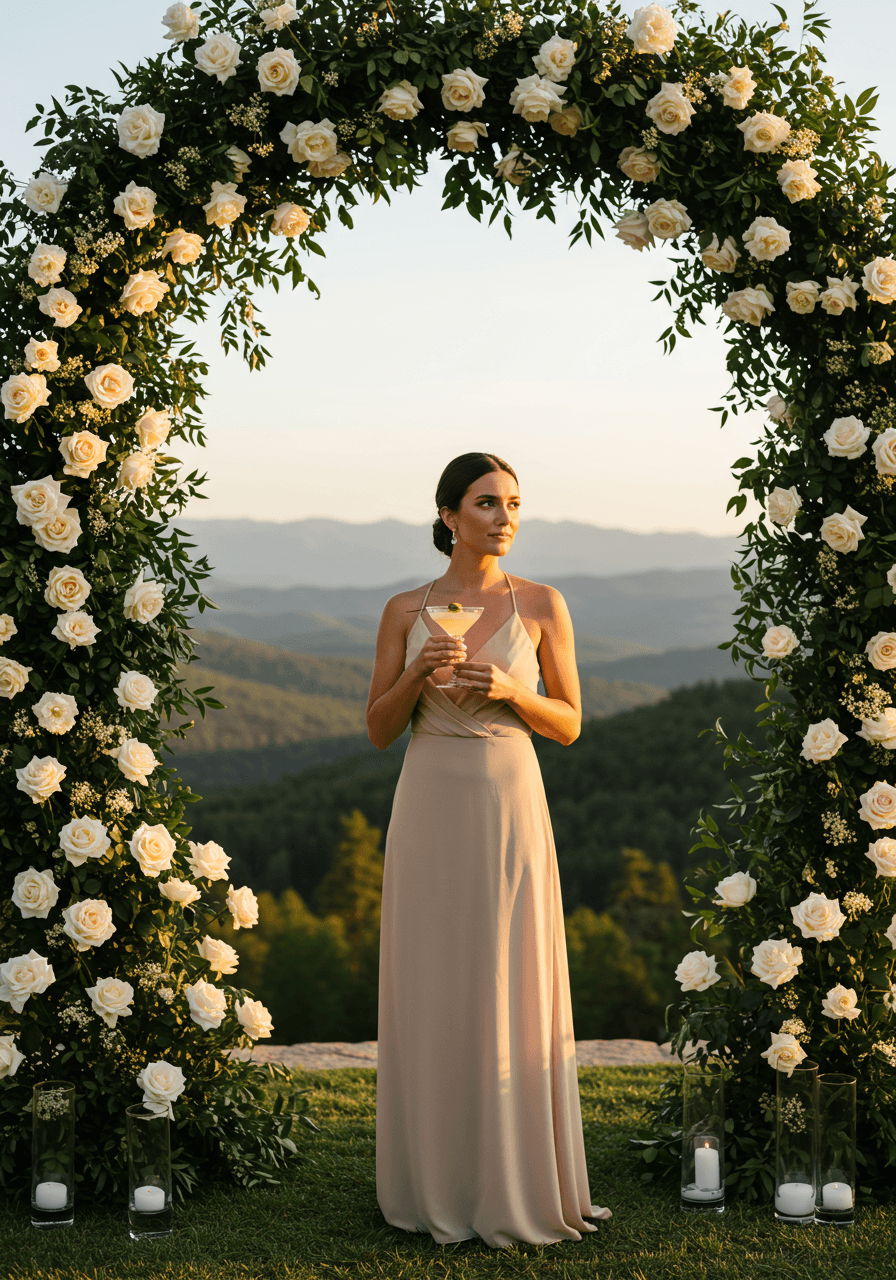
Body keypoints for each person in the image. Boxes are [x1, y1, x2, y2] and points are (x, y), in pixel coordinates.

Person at [367, 452, 612, 1248]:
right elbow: (377, 728)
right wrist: (416, 677)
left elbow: (571, 723)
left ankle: (513, 1180)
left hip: (510, 801)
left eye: (513, 503)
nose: (504, 517)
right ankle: (430, 1179)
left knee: (508, 973)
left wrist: (511, 691)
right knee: (434, 977)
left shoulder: (541, 603)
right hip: (429, 800)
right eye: (486, 504)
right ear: (447, 516)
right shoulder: (405, 609)